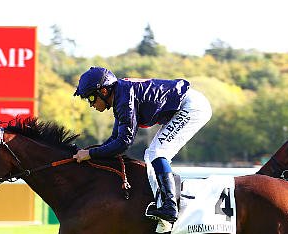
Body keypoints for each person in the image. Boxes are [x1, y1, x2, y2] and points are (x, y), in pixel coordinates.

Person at [72, 66, 212, 223]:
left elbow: (123, 143)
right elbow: (115, 139)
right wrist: (91, 153)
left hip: (192, 106)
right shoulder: (120, 95)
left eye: (91, 98)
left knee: (158, 152)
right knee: (151, 154)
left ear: (103, 91)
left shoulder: (124, 99)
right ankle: (165, 202)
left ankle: (170, 206)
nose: (91, 104)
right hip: (188, 103)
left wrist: (90, 154)